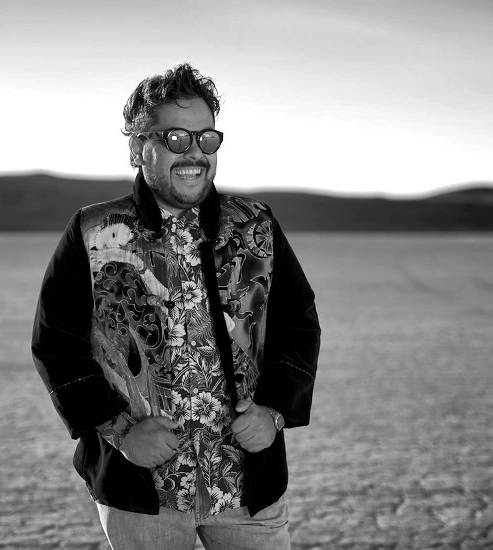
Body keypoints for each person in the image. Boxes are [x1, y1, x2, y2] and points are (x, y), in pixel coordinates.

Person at [31, 63, 321, 549]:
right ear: (137, 148)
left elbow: (299, 325)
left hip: (247, 486)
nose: (194, 153)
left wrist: (272, 412)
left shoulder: (255, 225)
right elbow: (56, 344)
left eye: (206, 138)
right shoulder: (94, 232)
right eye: (175, 138)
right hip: (142, 493)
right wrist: (121, 433)